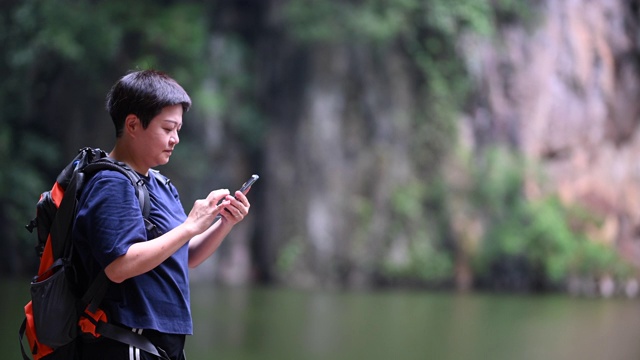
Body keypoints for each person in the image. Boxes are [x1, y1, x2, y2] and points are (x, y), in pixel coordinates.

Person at [72, 69, 251, 360]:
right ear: (132, 124)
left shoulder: (160, 184)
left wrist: (223, 223)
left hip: (160, 341)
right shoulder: (111, 182)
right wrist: (190, 225)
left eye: (178, 129)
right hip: (127, 339)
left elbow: (186, 255)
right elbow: (119, 266)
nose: (175, 139)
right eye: (167, 129)